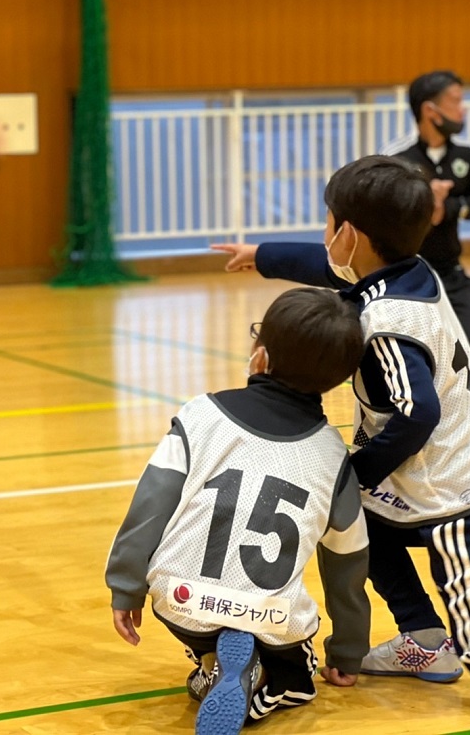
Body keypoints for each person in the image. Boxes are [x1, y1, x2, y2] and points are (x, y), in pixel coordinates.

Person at [212, 156, 470, 734]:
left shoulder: (385, 321)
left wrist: (356, 473)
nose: (325, 235)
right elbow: (330, 266)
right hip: (445, 486)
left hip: (463, 510)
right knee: (352, 525)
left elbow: (418, 413)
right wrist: (261, 256)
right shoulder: (410, 269)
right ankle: (424, 640)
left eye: (328, 221)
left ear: (349, 234)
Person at [106, 287, 371, 735]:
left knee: (199, 614)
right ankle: (272, 679)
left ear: (260, 356)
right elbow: (348, 558)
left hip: (181, 601)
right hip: (272, 614)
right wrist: (347, 649)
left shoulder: (200, 414)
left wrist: (125, 586)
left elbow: (150, 504)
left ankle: (213, 659)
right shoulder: (331, 454)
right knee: (301, 675)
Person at [382, 70, 470, 358]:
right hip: (405, 270)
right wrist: (423, 205)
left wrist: (448, 207)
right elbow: (382, 210)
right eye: (455, 101)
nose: (462, 109)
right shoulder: (396, 157)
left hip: (449, 270)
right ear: (430, 110)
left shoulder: (465, 156)